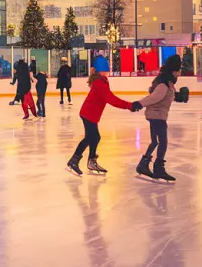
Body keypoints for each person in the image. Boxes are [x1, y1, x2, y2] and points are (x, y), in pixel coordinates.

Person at [65, 68, 132, 176]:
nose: (109, 70)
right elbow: (111, 99)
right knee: (90, 138)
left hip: (91, 114)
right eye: (106, 69)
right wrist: (129, 105)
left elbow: (107, 97)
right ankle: (74, 161)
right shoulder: (100, 83)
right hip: (89, 114)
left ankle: (91, 161)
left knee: (95, 137)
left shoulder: (102, 81)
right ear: (100, 71)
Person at [133, 55, 181, 183]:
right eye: (179, 70)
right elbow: (153, 97)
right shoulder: (163, 84)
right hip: (157, 116)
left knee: (155, 142)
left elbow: (168, 96)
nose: (180, 73)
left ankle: (143, 164)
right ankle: (158, 168)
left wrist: (179, 97)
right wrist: (138, 104)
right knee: (163, 142)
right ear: (173, 71)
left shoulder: (167, 83)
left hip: (156, 115)